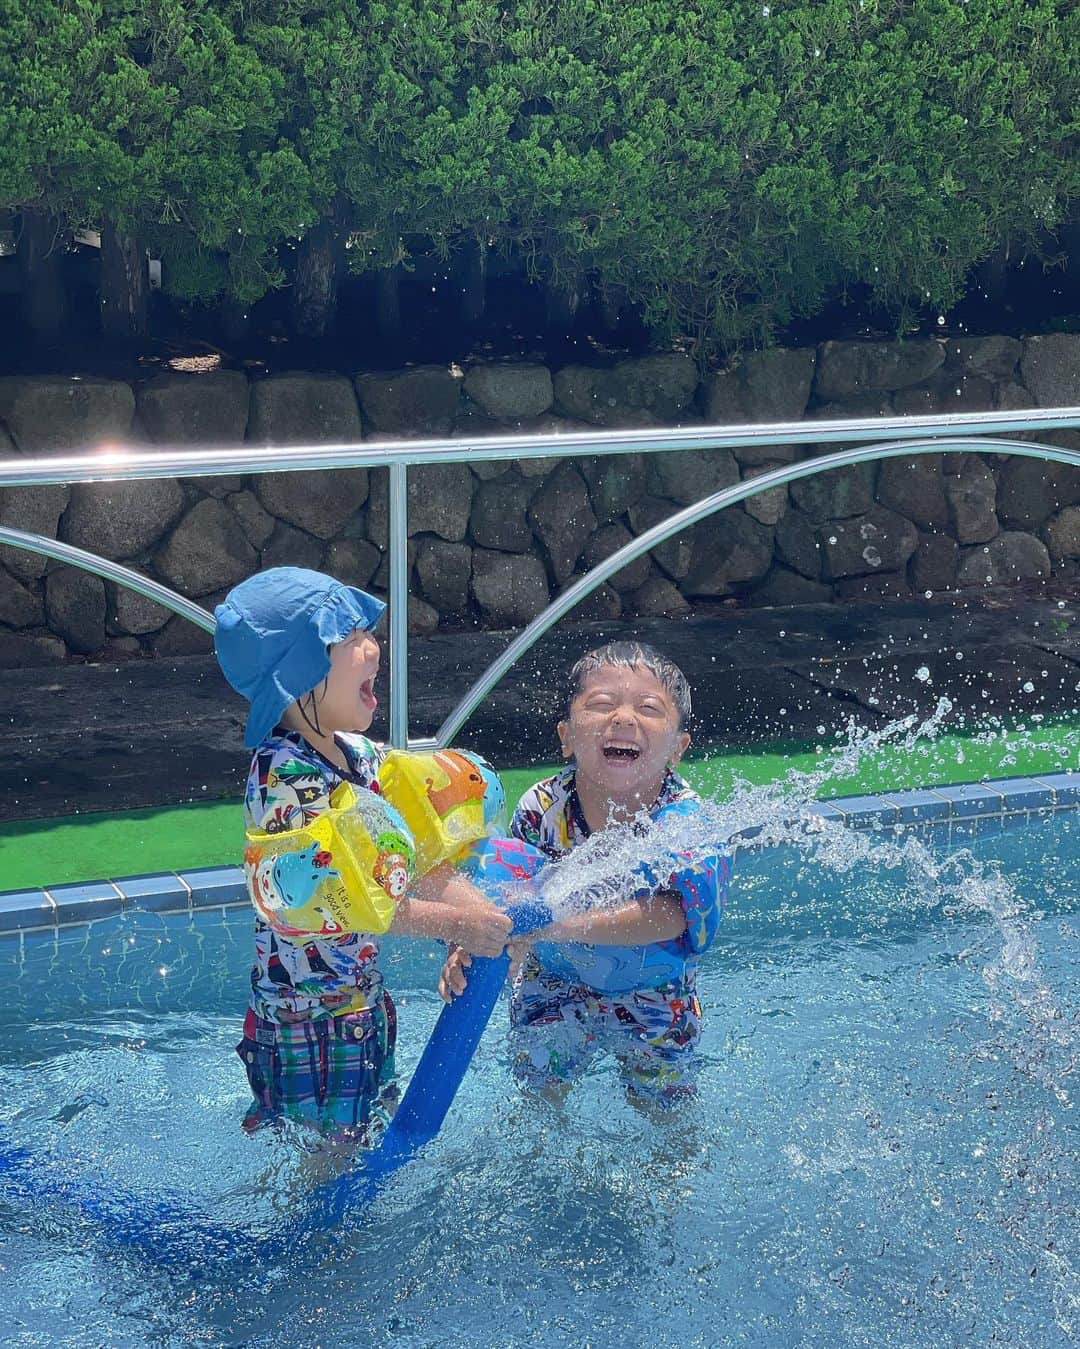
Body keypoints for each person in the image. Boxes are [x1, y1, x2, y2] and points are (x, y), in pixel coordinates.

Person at [215, 566, 511, 1137]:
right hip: (307, 1022)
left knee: (365, 1141)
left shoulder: (359, 756)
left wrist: (477, 921)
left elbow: (418, 856)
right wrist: (461, 925)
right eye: (351, 639)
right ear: (299, 671)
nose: (373, 648)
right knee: (328, 1166)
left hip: (361, 1006)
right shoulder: (284, 780)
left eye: (367, 634)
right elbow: (347, 897)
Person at [440, 641, 728, 1104]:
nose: (623, 718)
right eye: (600, 704)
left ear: (678, 748)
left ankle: (671, 1174)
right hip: (554, 983)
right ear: (567, 736)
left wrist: (559, 923)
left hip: (655, 990)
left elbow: (674, 915)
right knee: (538, 1097)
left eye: (648, 708)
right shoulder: (542, 808)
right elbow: (508, 891)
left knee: (664, 1111)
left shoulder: (683, 823)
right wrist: (469, 942)